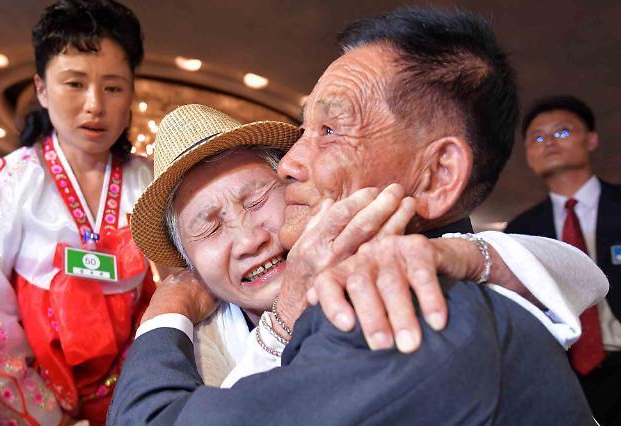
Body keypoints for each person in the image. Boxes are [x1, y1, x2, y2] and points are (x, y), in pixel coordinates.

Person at [109, 8, 604, 424]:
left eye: (329, 130)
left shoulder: (401, 318)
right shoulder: (419, 284)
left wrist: (165, 309)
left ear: (437, 175)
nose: (293, 165)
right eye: (209, 226)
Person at [129, 104, 607, 389]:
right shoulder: (190, 350)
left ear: (298, 190)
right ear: (187, 263)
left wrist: (460, 255)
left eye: (256, 200)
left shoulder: (385, 255)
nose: (250, 238)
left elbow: (583, 277)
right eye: (210, 228)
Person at [0, 1, 153, 424]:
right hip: (38, 401)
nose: (95, 105)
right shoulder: (2, 186)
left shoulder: (155, 181)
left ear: (132, 91)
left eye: (113, 87)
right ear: (41, 88)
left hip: (136, 393)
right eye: (74, 84)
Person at [506, 95, 621, 424]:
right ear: (529, 156)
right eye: (538, 138)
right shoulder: (521, 231)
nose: (550, 142)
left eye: (563, 131)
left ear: (592, 139)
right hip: (562, 372)